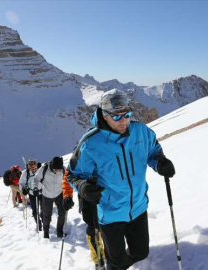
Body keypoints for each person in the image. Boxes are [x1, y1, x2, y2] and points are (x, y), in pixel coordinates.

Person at [68, 89, 176, 270]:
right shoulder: (90, 143)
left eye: (127, 115)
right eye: (117, 117)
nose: (124, 120)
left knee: (140, 253)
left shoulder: (141, 132)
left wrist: (161, 163)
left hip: (138, 207)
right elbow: (73, 175)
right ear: (105, 115)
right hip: (110, 213)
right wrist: (83, 187)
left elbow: (154, 152)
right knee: (115, 262)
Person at [63, 168, 106, 269]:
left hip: (105, 196)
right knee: (93, 229)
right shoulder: (78, 155)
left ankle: (109, 254)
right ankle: (98, 259)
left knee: (107, 227)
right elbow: (68, 177)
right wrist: (67, 196)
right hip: (86, 198)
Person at [33, 156, 67, 239]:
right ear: (52, 166)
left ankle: (59, 231)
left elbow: (67, 180)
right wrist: (35, 187)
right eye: (56, 170)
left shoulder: (63, 169)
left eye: (59, 170)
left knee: (62, 213)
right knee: (46, 215)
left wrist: (68, 195)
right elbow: (36, 178)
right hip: (47, 195)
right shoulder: (44, 169)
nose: (58, 171)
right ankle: (46, 232)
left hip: (59, 194)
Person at [19, 158, 43, 231]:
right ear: (28, 166)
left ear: (36, 164)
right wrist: (23, 189)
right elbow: (21, 183)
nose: (32, 167)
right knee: (34, 211)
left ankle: (43, 220)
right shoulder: (26, 173)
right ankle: (38, 224)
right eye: (30, 165)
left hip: (42, 192)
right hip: (32, 193)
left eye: (33, 165)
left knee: (44, 209)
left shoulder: (41, 171)